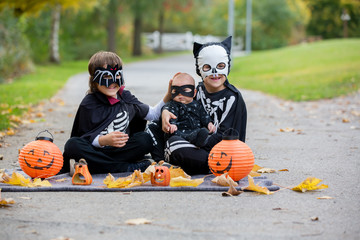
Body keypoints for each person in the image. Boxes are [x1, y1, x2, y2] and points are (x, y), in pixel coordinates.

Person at [147, 36, 247, 175]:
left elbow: (227, 136)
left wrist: (198, 141)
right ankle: (164, 160)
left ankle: (174, 159)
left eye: (220, 66)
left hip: (219, 154)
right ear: (200, 69)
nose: (214, 73)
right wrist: (165, 112)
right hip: (189, 141)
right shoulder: (197, 90)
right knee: (153, 125)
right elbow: (175, 105)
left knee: (175, 145)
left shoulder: (232, 98)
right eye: (207, 67)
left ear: (227, 66)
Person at [61, 51, 171, 174]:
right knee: (73, 145)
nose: (113, 82)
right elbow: (84, 135)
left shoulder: (126, 97)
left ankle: (95, 167)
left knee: (144, 139)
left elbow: (153, 114)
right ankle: (127, 167)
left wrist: (169, 95)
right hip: (95, 151)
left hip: (121, 151)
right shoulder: (89, 103)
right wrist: (103, 140)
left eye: (117, 75)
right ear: (94, 80)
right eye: (106, 77)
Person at [163, 72, 216, 148]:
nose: (180, 94)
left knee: (204, 133)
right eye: (175, 91)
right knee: (173, 137)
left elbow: (204, 116)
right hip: (179, 133)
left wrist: (209, 124)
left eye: (185, 90)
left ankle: (201, 143)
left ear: (194, 93)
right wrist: (172, 125)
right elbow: (170, 114)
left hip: (195, 131)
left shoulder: (198, 105)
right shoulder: (172, 105)